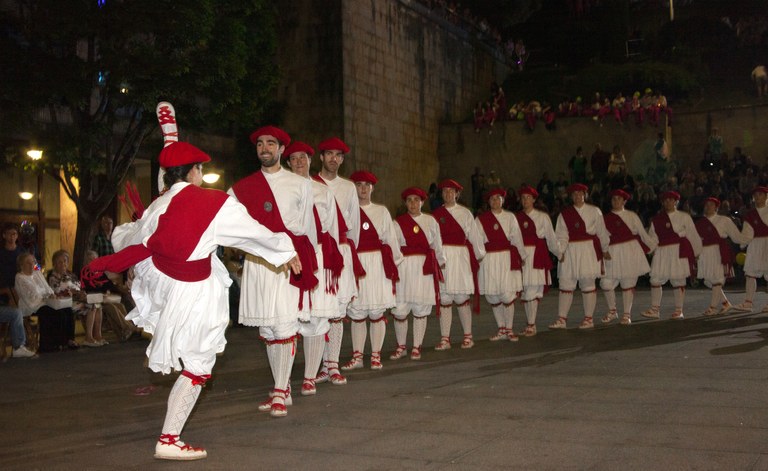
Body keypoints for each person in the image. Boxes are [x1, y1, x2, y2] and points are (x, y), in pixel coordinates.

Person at [87, 140, 298, 460]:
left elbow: (130, 238)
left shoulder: (159, 205)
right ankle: (169, 438)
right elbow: (252, 233)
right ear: (194, 172)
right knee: (199, 363)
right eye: (201, 169)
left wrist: (129, 268)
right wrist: (286, 251)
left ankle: (170, 432)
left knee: (194, 358)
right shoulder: (211, 203)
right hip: (193, 290)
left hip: (165, 283)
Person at [228, 127, 314, 418]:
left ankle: (279, 389)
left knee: (284, 324)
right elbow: (228, 222)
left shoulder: (299, 184)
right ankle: (284, 386)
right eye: (260, 144)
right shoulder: (242, 188)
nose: (264, 148)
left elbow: (304, 229)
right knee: (267, 327)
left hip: (288, 260)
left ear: (281, 149)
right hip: (257, 261)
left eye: (271, 143)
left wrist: (302, 260)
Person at [283, 141, 341, 396]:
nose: (298, 162)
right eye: (293, 159)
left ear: (310, 160)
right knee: (287, 318)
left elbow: (332, 231)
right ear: (287, 163)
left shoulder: (322, 191)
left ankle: (309, 376)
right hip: (289, 257)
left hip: (316, 255)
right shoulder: (281, 190)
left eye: (303, 158)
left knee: (316, 317)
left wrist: (333, 264)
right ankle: (282, 380)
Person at [313, 136, 362, 386]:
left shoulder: (348, 187)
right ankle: (319, 365)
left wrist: (350, 252)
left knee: (338, 311)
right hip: (320, 251)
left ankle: (332, 363)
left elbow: (354, 224)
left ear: (342, 159)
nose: (333, 159)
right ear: (321, 157)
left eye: (338, 155)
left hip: (341, 251)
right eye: (329, 154)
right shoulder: (310, 184)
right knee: (320, 310)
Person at [343, 170, 402, 371]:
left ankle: (376, 354)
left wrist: (393, 264)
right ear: (354, 188)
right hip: (356, 262)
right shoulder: (347, 211)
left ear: (372, 188)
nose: (363, 189)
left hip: (376, 264)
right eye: (359, 185)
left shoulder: (381, 211)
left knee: (376, 310)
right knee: (357, 311)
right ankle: (358, 356)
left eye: (367, 185)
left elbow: (390, 239)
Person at [391, 187, 445, 361]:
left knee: (421, 306)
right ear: (405, 203)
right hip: (404, 267)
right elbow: (393, 246)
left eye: (416, 200)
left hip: (424, 267)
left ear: (422, 202)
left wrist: (440, 263)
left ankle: (416, 346)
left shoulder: (430, 221)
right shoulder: (397, 223)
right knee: (400, 308)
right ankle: (401, 346)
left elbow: (437, 245)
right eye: (409, 200)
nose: (413, 203)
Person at [432, 179, 485, 351]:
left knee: (462, 297)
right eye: (445, 191)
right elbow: (432, 238)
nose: (448, 194)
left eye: (451, 191)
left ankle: (468, 336)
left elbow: (475, 236)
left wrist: (479, 255)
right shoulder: (436, 214)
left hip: (460, 257)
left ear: (457, 194)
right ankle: (445, 338)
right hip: (443, 258)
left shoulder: (465, 213)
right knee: (445, 297)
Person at [550, 183, 610, 330]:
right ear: (571, 196)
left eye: (580, 193)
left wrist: (604, 249)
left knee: (587, 282)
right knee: (566, 283)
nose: (577, 196)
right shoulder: (565, 214)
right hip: (570, 249)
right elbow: (561, 235)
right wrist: (561, 252)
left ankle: (588, 318)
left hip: (588, 249)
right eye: (574, 194)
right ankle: (562, 319)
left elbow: (602, 232)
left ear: (585, 195)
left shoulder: (595, 211)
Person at [643, 191, 703, 320]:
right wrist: (647, 250)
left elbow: (692, 234)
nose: (668, 202)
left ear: (676, 202)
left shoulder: (684, 217)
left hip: (678, 250)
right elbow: (652, 238)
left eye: (671, 200)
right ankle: (654, 309)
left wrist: (697, 252)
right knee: (655, 279)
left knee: (678, 279)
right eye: (665, 200)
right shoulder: (657, 219)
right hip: (661, 251)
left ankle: (679, 310)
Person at [475, 189, 526, 340]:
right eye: (492, 199)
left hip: (506, 258)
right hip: (489, 259)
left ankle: (509, 328)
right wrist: (478, 258)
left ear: (503, 200)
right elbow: (476, 241)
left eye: (498, 198)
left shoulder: (510, 217)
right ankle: (501, 328)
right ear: (488, 202)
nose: (495, 201)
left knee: (507, 293)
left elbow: (517, 237)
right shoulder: (481, 220)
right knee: (493, 294)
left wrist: (522, 255)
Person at [600, 190, 655, 326]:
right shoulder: (605, 218)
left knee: (628, 282)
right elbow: (601, 236)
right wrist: (604, 250)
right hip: (613, 251)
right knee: (606, 282)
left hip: (630, 251)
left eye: (619, 199)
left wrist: (653, 247)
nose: (616, 201)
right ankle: (612, 311)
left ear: (624, 201)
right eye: (613, 199)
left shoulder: (632, 216)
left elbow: (642, 233)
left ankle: (626, 314)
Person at [515, 186, 559, 336]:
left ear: (534, 199)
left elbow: (551, 238)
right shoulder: (517, 218)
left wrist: (559, 253)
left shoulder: (542, 217)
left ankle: (532, 324)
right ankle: (529, 323)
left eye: (528, 197)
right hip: (522, 255)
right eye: (523, 198)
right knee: (526, 289)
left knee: (533, 288)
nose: (525, 200)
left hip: (536, 254)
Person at [695, 197, 748, 316]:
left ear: (716, 207)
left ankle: (712, 307)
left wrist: (748, 239)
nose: (708, 206)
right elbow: (696, 240)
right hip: (704, 253)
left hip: (718, 252)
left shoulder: (724, 220)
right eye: (706, 204)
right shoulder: (700, 223)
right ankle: (725, 303)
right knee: (709, 280)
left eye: (711, 204)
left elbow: (736, 236)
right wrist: (696, 254)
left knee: (717, 279)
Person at [15, 252, 78, 350]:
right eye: (28, 263)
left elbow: (47, 287)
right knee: (51, 312)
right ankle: (49, 345)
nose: (32, 265)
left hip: (45, 302)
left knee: (67, 310)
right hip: (32, 306)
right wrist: (46, 297)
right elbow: (29, 297)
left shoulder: (37, 272)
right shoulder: (20, 277)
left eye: (33, 262)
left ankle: (68, 340)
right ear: (21, 265)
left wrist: (52, 294)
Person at [47, 249, 105, 347]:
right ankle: (88, 338)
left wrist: (81, 292)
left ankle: (97, 335)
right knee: (91, 305)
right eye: (59, 262)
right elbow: (56, 292)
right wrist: (74, 293)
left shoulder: (70, 274)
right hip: (65, 303)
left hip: (77, 299)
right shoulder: (53, 277)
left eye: (65, 261)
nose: (63, 264)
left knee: (98, 305)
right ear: (54, 263)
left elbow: (79, 286)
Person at [733, 186, 768, 312]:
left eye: (760, 194)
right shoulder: (750, 215)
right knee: (750, 273)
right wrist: (742, 244)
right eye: (756, 195)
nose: (758, 197)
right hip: (754, 245)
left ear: (766, 196)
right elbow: (747, 233)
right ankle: (748, 303)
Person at [0, 223, 26, 290]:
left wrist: (39, 269)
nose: (12, 236)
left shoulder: (22, 251)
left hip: (20, 285)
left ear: (17, 235)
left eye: (14, 234)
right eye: (9, 234)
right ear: (4, 235)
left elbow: (33, 263)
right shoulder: (1, 252)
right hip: (3, 286)